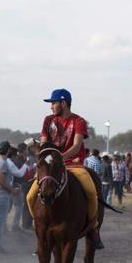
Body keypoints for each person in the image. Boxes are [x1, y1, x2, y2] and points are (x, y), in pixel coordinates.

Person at [26, 89, 104, 249]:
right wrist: (40, 150)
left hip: (73, 164)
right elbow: (44, 143)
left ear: (63, 103)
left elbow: (77, 145)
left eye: (53, 103)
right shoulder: (48, 120)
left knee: (91, 192)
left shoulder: (79, 121)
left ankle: (93, 228)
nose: (51, 107)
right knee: (30, 196)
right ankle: (39, 229)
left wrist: (60, 157)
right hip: (51, 166)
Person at [0, 141, 19, 252]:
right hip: (1, 196)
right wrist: (12, 190)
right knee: (0, 223)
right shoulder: (3, 163)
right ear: (8, 150)